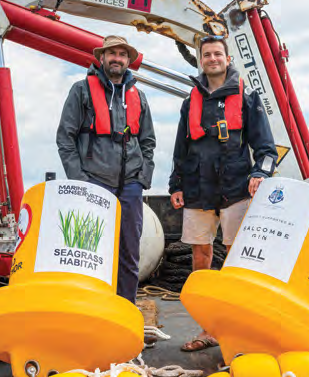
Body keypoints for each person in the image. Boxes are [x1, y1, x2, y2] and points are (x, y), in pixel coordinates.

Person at [168, 36, 278, 351]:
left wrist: (260, 173)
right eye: (207, 54)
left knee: (236, 259)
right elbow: (180, 149)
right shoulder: (190, 102)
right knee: (200, 257)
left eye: (218, 54)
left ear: (227, 59)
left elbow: (267, 150)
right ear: (200, 60)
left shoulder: (248, 97)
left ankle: (238, 328)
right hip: (198, 191)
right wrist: (175, 184)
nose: (213, 58)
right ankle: (208, 328)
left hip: (236, 190)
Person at [56, 35, 156, 303]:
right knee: (90, 250)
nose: (117, 58)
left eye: (123, 54)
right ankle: (91, 308)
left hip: (131, 185)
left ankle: (125, 308)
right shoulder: (81, 91)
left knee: (129, 252)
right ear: (101, 58)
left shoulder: (139, 96)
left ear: (128, 60)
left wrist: (142, 179)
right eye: (112, 53)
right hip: (94, 182)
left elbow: (148, 142)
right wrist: (80, 180)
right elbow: (65, 138)